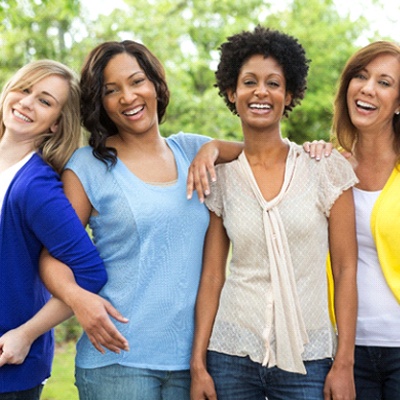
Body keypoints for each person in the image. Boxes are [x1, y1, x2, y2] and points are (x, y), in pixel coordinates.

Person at [38, 40, 243, 400]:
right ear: (100, 103)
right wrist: (79, 300)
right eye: (111, 90)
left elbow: (269, 154)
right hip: (116, 362)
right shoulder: (88, 166)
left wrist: (213, 147)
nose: (128, 97)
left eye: (136, 82)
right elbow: (52, 256)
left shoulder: (192, 151)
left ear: (155, 86)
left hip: (191, 364)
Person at [189, 26, 358, 400]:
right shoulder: (222, 179)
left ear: (290, 94)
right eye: (249, 82)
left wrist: (343, 362)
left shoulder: (325, 170)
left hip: (308, 357)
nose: (261, 92)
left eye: (273, 83)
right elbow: (213, 275)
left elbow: (346, 270)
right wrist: (199, 365)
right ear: (232, 93)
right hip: (230, 352)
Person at [0, 59, 123, 399]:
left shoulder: (36, 188)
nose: (26, 102)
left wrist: (25, 335)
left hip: (7, 370)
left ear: (56, 124)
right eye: (25, 89)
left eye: (45, 101)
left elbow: (90, 273)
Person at [306, 40, 400, 399]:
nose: (368, 88)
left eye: (385, 82)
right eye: (360, 76)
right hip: (343, 351)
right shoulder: (329, 167)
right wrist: (212, 149)